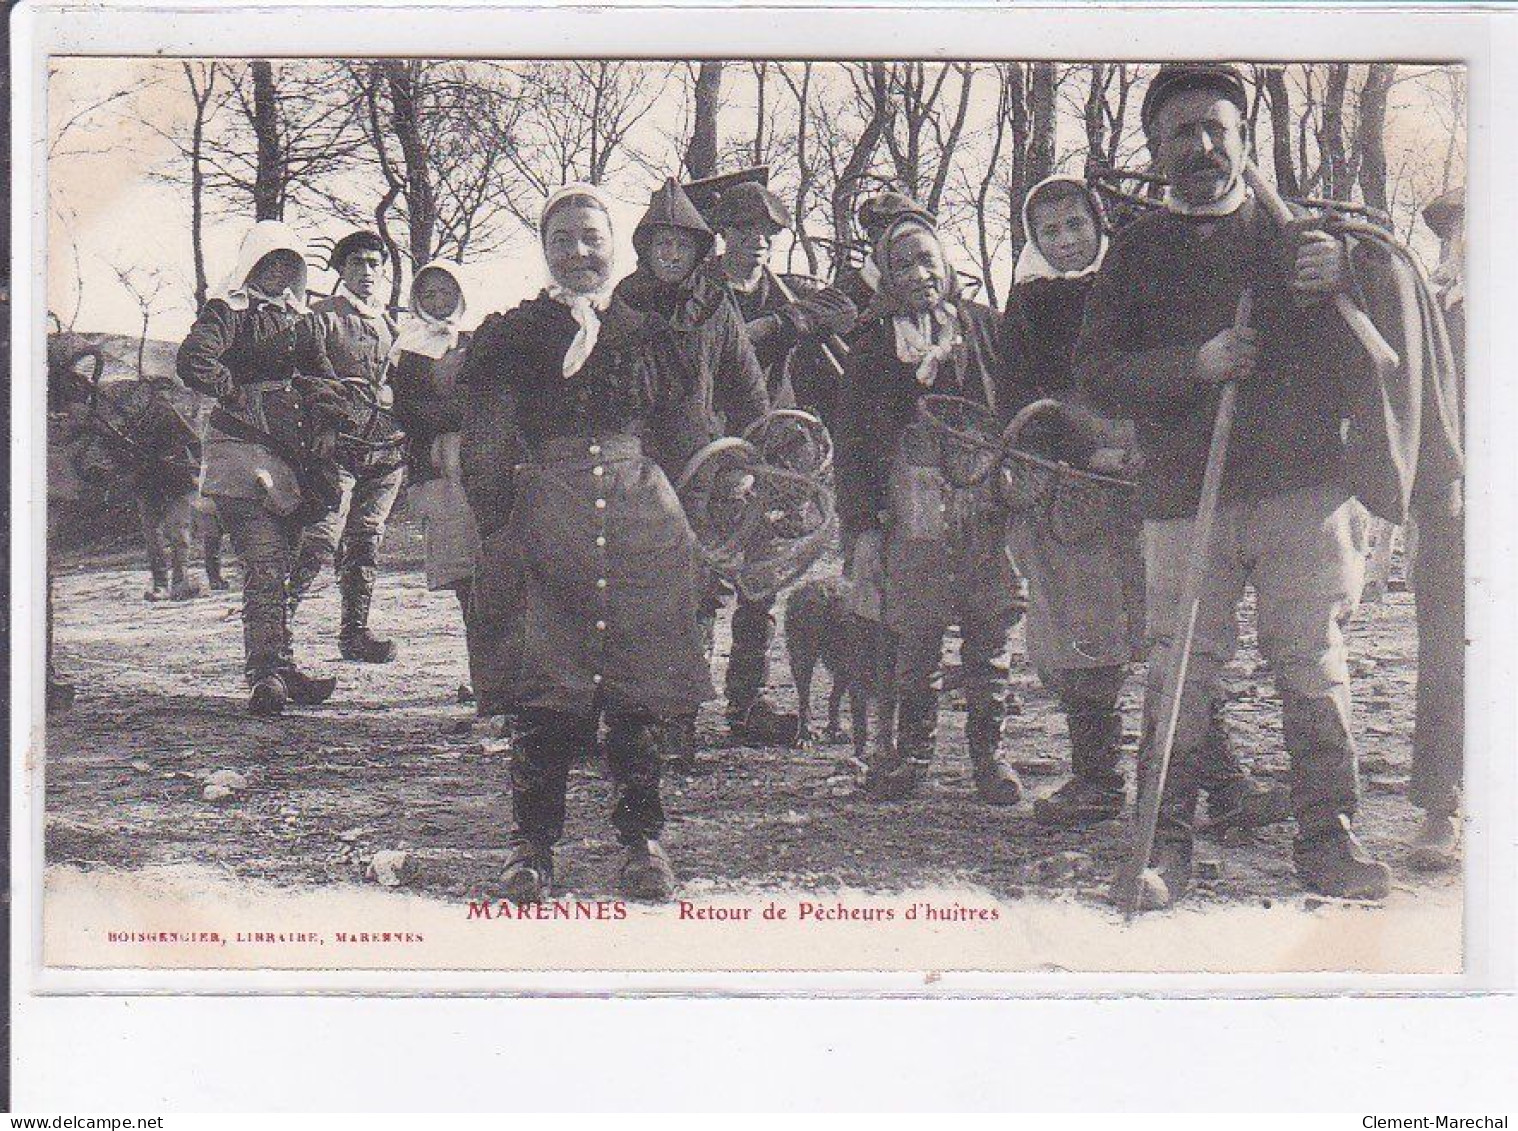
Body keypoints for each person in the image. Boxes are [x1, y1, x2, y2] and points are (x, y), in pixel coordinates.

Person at [1074, 63, 1391, 907]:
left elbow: (1378, 345)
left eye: (1219, 128)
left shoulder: (1299, 241)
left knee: (1312, 666)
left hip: (1303, 492)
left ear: (1246, 142)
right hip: (1185, 500)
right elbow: (1098, 373)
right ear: (1155, 148)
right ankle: (1162, 849)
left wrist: (1346, 279)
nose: (1204, 145)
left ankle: (1329, 838)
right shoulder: (1135, 250)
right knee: (1180, 669)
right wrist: (1196, 365)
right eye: (1184, 132)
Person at [460, 181, 750, 904]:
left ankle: (641, 838)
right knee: (544, 687)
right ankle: (532, 845)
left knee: (636, 689)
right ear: (546, 251)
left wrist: (698, 525)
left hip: (641, 521)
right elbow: (486, 443)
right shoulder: (514, 333)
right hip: (546, 519)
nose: (580, 253)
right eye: (564, 240)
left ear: (613, 247)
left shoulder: (650, 333)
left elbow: (686, 432)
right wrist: (502, 530)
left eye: (592, 239)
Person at [1004, 174, 1291, 831]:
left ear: (1099, 224)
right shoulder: (1024, 308)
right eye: (1050, 230)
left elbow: (1165, 367)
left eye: (1077, 224)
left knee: (1176, 632)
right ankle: (1096, 779)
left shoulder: (1136, 279)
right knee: (1086, 635)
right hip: (1073, 499)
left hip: (1153, 485)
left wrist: (1146, 439)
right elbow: (1021, 403)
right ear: (1033, 240)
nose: (1067, 240)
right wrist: (1080, 452)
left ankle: (1222, 783)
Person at [833, 210, 1025, 805]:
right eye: (902, 264)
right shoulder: (870, 350)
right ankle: (913, 756)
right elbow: (855, 447)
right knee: (916, 642)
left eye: (927, 259)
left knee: (988, 637)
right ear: (885, 277)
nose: (919, 273)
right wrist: (863, 527)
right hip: (910, 514)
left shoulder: (987, 329)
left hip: (985, 507)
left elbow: (1018, 403)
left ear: (946, 264)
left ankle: (989, 756)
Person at [710, 180, 857, 742]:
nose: (758, 243)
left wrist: (783, 322)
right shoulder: (702, 293)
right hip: (714, 447)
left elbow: (842, 308)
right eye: (745, 231)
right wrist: (768, 328)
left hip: (775, 446)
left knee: (761, 580)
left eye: (769, 234)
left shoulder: (787, 291)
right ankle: (677, 704)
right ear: (723, 236)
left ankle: (745, 704)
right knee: (698, 578)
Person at [176, 221, 340, 716]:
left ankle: (281, 665)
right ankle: (265, 673)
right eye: (271, 263)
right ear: (252, 265)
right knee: (265, 560)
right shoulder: (228, 311)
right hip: (241, 449)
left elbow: (320, 375)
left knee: (293, 556)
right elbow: (193, 360)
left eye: (290, 264)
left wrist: (330, 411)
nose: (280, 274)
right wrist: (235, 390)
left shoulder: (303, 319)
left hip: (293, 451)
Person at [288, 230, 408, 664]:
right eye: (357, 262)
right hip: (335, 447)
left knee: (366, 541)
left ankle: (355, 633)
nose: (367, 272)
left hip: (385, 451)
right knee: (320, 539)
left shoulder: (393, 326)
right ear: (341, 269)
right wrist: (327, 420)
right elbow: (304, 379)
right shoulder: (320, 318)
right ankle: (276, 631)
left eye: (375, 263)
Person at [1405, 186, 1466, 870]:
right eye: (1452, 237)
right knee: (1447, 655)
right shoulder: (1436, 320)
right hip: (1456, 511)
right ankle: (1440, 803)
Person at [389, 259, 480, 701]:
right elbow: (406, 410)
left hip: (484, 463)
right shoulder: (407, 350)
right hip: (439, 467)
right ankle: (482, 668)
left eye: (447, 293)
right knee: (463, 574)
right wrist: (461, 416)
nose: (439, 302)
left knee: (497, 571)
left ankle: (499, 671)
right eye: (430, 295)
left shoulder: (481, 339)